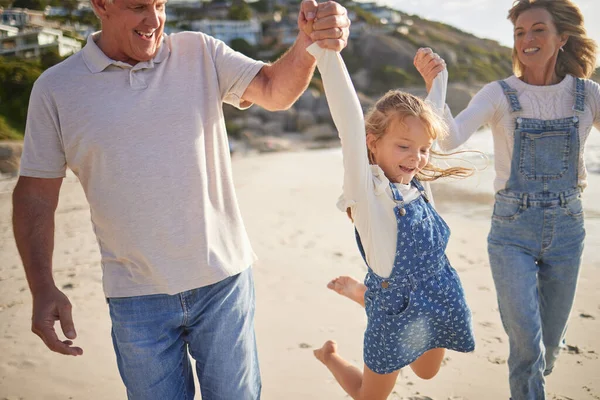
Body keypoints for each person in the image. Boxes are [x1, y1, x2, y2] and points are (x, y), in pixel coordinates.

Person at [11, 0, 351, 399]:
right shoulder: (56, 88)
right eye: (139, 6)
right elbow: (35, 194)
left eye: (160, 4)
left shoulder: (201, 51)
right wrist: (42, 286)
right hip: (136, 297)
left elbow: (275, 90)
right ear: (101, 5)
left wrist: (307, 41)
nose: (153, 20)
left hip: (223, 283)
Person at [413, 1, 600, 399]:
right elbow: (447, 137)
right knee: (526, 347)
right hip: (511, 230)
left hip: (568, 230)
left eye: (537, 30)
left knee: (546, 350)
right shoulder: (499, 94)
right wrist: (438, 83)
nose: (526, 40)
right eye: (519, 33)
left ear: (562, 38)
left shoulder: (588, 95)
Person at [306, 37, 475, 400]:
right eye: (403, 146)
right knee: (372, 397)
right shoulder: (368, 194)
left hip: (437, 290)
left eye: (423, 150)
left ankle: (359, 293)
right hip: (392, 305)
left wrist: (438, 80)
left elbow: (426, 122)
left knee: (427, 373)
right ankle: (330, 356)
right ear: (372, 143)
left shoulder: (417, 182)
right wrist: (326, 52)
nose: (415, 158)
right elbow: (348, 121)